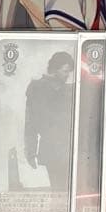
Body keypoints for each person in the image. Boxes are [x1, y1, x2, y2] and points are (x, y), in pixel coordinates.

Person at [23, 51, 75, 190]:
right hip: (55, 151)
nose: (67, 75)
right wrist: (30, 152)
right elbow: (30, 125)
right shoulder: (37, 89)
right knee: (61, 190)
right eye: (65, 71)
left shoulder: (68, 89)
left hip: (66, 150)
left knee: (63, 190)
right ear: (55, 69)